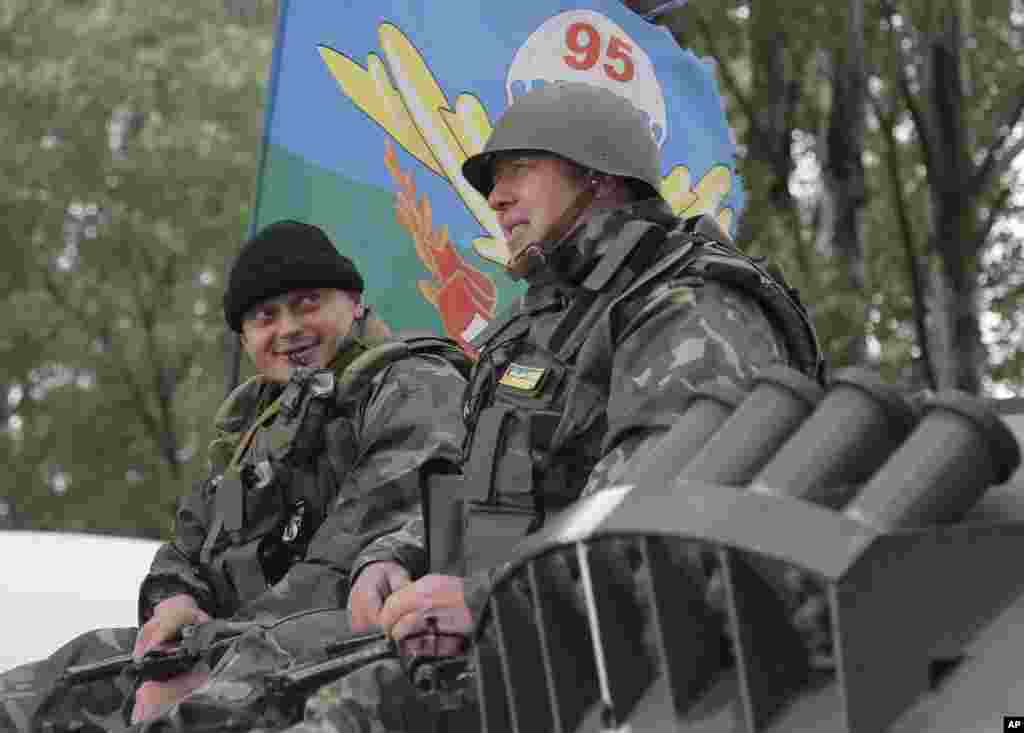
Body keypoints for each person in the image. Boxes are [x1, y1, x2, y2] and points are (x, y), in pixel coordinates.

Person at [280, 82, 823, 732]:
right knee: (245, 685)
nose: (497, 197)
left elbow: (649, 534)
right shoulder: (534, 328)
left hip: (634, 668)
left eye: (520, 170)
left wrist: (477, 598)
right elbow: (488, 490)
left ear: (598, 176)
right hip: (499, 639)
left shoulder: (690, 308)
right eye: (494, 181)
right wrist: (397, 555)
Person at [0, 220, 470, 732]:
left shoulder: (412, 385)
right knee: (40, 692)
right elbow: (186, 547)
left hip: (353, 645)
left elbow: (347, 564)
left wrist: (207, 656)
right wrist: (174, 603)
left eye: (308, 304)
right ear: (246, 339)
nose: (288, 329)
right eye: (266, 316)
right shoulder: (250, 424)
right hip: (236, 642)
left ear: (355, 304)